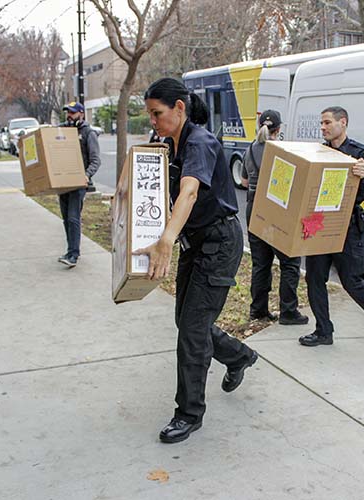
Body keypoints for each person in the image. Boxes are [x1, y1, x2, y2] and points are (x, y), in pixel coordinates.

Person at [134, 78, 258, 444]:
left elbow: (188, 192)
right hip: (196, 242)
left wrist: (166, 241)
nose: (153, 121)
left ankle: (188, 414)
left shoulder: (200, 143)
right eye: (150, 115)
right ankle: (238, 356)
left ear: (179, 108)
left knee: (191, 330)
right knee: (186, 321)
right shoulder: (169, 144)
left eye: (157, 114)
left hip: (219, 244)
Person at [299, 106, 364, 347]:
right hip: (319, 224)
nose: (323, 127)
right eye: (322, 123)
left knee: (351, 280)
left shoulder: (360, 153)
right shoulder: (319, 152)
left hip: (349, 227)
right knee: (315, 278)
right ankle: (323, 331)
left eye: (327, 123)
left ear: (343, 122)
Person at [241, 110, 308, 325]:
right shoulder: (283, 151)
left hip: (254, 210)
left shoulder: (249, 150)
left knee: (261, 264)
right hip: (277, 210)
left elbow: (243, 182)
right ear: (278, 130)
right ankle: (289, 311)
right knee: (289, 262)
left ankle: (258, 310)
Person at [57, 101, 100, 268]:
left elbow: (95, 160)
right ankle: (70, 250)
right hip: (62, 181)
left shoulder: (89, 133)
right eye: (68, 112)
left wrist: (86, 176)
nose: (69, 116)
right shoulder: (62, 130)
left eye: (73, 113)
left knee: (73, 218)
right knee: (66, 218)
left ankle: (74, 254)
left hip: (79, 183)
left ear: (81, 114)